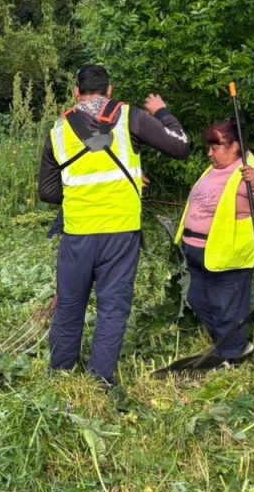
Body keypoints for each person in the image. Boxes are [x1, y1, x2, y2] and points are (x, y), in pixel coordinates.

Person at [37, 64, 191, 386]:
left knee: (70, 304)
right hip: (120, 233)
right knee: (112, 307)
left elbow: (48, 191)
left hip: (78, 234)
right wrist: (162, 113)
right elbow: (181, 146)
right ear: (110, 90)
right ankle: (100, 380)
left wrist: (83, 192)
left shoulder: (58, 130)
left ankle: (61, 374)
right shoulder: (130, 117)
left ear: (77, 93)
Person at [172, 119, 254, 367]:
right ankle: (227, 343)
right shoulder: (215, 169)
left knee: (226, 308)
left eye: (215, 147)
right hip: (199, 253)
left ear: (235, 147)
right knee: (197, 299)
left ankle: (235, 353)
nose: (210, 153)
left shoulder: (250, 171)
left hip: (227, 255)